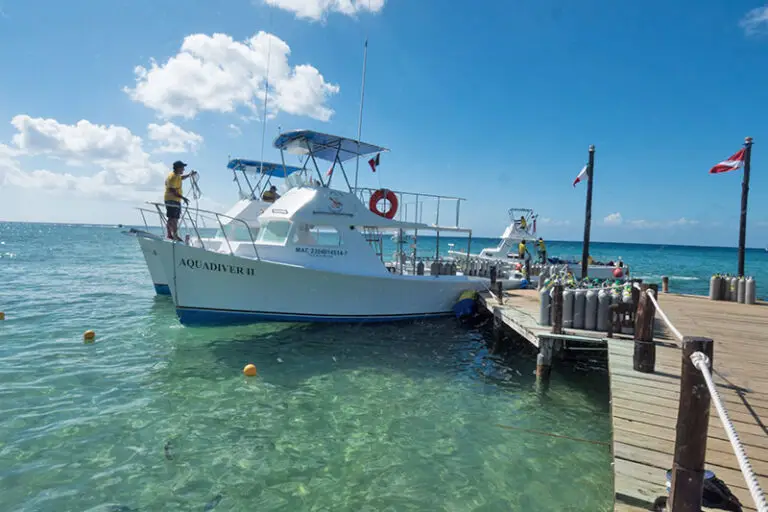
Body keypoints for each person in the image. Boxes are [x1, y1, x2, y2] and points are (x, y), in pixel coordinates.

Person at [164, 160, 197, 241]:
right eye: (182, 168)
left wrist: (189, 175)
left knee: (172, 218)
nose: (183, 169)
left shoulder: (177, 175)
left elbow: (181, 178)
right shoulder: (172, 177)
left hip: (173, 199)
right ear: (178, 168)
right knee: (174, 218)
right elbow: (172, 190)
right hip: (172, 199)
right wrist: (183, 198)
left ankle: (170, 235)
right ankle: (174, 235)